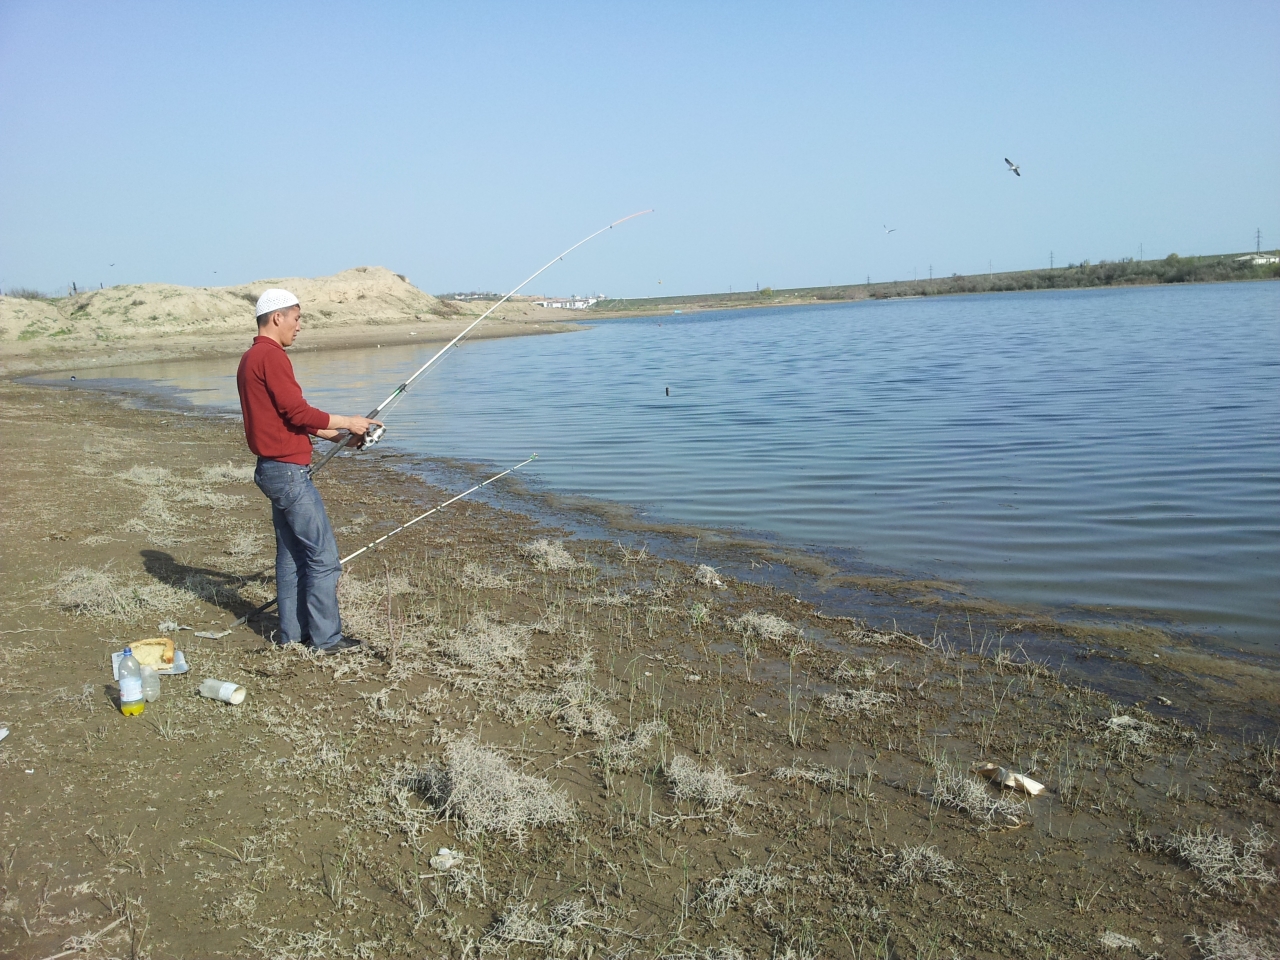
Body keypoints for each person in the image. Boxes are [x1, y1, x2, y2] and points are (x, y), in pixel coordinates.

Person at [236, 288, 381, 653]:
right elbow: (298, 412)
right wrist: (350, 419)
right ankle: (326, 640)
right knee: (322, 558)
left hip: (273, 470)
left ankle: (293, 634)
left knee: (291, 557)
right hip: (286, 474)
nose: (299, 326)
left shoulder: (252, 357)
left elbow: (289, 418)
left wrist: (344, 437)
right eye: (297, 318)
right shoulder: (270, 356)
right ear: (277, 318)